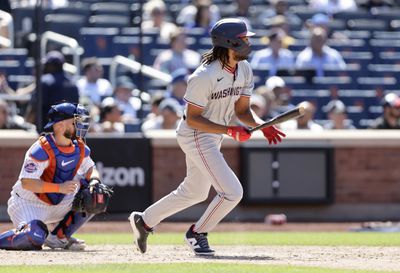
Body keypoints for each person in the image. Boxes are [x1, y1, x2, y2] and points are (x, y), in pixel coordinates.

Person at [129, 18, 286, 256]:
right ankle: (197, 233)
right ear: (229, 42)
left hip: (213, 135)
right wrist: (230, 130)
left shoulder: (244, 69)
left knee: (194, 192)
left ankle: (145, 220)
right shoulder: (204, 76)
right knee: (233, 192)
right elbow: (192, 118)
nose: (248, 43)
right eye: (243, 39)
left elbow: (242, 111)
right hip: (196, 135)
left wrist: (262, 125)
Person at [0, 102, 99, 250]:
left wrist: (94, 181)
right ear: (59, 125)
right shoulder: (41, 149)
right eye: (74, 121)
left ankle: (58, 237)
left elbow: (92, 169)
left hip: (59, 202)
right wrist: (59, 188)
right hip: (28, 203)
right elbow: (27, 182)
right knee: (34, 237)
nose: (79, 125)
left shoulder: (80, 147)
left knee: (97, 194)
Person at [25, 51, 80, 132]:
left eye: (47, 65)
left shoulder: (44, 81)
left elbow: (34, 107)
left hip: (46, 131)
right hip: (67, 132)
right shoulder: (73, 83)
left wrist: (26, 124)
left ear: (51, 66)